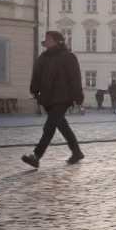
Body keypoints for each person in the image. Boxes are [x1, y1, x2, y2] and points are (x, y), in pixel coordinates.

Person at [22, 31, 85, 168]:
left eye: (49, 40)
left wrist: (78, 97)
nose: (46, 42)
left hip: (63, 98)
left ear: (57, 41)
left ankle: (36, 156)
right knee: (62, 126)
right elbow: (37, 75)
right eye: (46, 40)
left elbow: (75, 79)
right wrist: (34, 89)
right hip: (47, 97)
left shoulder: (69, 57)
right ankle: (77, 153)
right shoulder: (44, 56)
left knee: (49, 126)